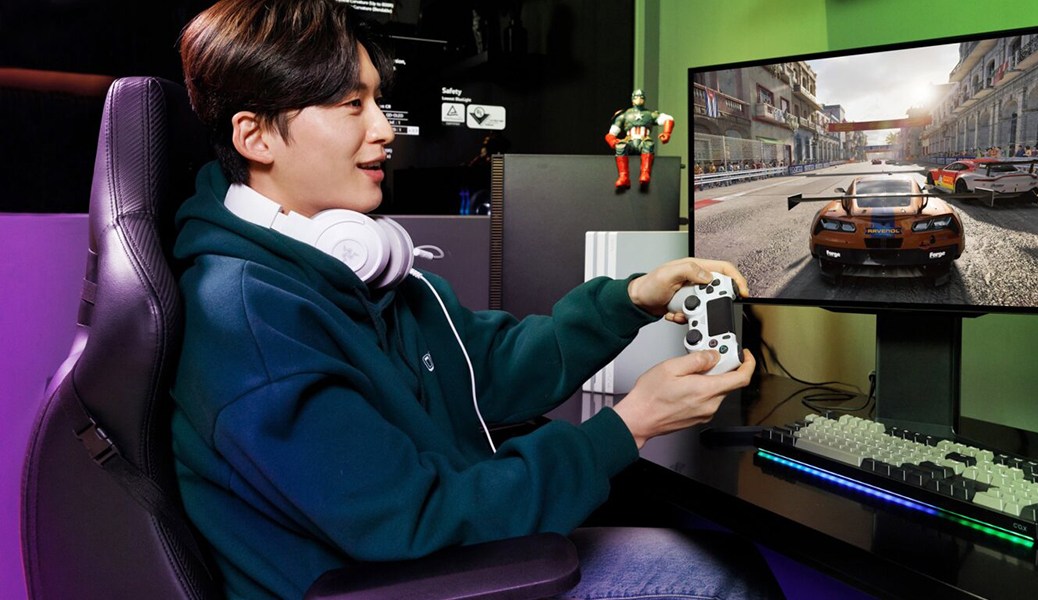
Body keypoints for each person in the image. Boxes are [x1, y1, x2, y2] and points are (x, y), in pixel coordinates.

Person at [173, 2, 782, 599]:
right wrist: (629, 425)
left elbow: (490, 366)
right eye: (350, 105)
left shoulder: (352, 277)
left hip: (431, 559)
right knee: (720, 575)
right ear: (255, 136)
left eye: (377, 102)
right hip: (399, 580)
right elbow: (417, 520)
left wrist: (630, 300)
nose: (384, 129)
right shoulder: (251, 320)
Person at [605, 89, 674, 189]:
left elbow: (669, 119)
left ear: (644, 99)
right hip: (630, 141)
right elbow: (611, 133)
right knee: (621, 147)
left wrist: (667, 133)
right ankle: (623, 176)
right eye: (636, 97)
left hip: (643, 140)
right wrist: (612, 141)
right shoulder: (624, 115)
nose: (639, 99)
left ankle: (645, 173)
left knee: (649, 145)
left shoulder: (649, 114)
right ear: (632, 99)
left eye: (641, 97)